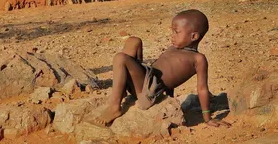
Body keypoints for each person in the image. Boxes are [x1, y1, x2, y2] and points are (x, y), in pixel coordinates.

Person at [94, 9, 230, 128]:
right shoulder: (175, 48)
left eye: (176, 32)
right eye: (172, 32)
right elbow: (168, 74)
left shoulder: (198, 59)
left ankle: (114, 106)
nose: (172, 36)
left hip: (149, 92)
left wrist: (208, 118)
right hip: (144, 78)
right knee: (134, 41)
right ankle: (122, 87)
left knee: (120, 58)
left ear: (194, 36)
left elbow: (202, 88)